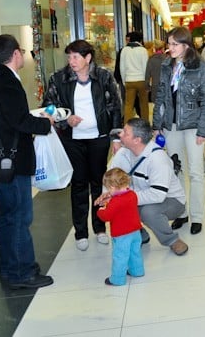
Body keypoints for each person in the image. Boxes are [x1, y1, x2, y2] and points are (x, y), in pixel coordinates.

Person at [0, 34, 55, 289]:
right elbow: (18, 121)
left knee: (8, 215)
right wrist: (47, 122)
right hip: (11, 159)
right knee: (20, 216)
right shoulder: (8, 83)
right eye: (22, 50)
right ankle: (23, 272)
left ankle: (10, 269)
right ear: (16, 54)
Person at [43, 39, 123, 251]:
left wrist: (116, 137)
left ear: (88, 58)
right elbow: (48, 108)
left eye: (76, 57)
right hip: (72, 139)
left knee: (98, 182)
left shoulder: (104, 77)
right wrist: (65, 119)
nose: (71, 61)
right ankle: (80, 232)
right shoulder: (58, 78)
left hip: (99, 137)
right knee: (78, 184)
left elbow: (116, 107)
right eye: (69, 57)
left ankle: (99, 228)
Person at [152, 27, 205, 235]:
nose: (169, 48)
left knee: (195, 172)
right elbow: (160, 94)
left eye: (174, 44)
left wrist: (203, 130)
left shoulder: (200, 67)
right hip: (171, 125)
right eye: (169, 44)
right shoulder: (166, 66)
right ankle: (181, 213)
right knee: (175, 170)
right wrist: (156, 125)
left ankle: (196, 216)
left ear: (186, 45)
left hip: (194, 125)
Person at [107, 118, 189, 255]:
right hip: (141, 196)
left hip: (172, 200)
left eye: (125, 133)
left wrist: (126, 198)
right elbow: (111, 178)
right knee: (117, 203)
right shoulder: (123, 153)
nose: (120, 135)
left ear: (137, 140)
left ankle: (172, 240)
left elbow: (158, 195)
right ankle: (139, 234)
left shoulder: (157, 159)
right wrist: (108, 195)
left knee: (148, 212)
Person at [95, 168, 144, 286]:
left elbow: (106, 216)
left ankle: (117, 279)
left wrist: (101, 210)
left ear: (112, 187)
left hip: (121, 234)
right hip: (135, 231)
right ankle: (137, 271)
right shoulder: (132, 195)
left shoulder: (115, 202)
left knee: (120, 256)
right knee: (135, 252)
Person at [120, 31, 150, 122]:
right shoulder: (143, 50)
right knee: (143, 104)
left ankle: (126, 126)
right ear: (140, 40)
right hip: (141, 80)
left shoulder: (124, 50)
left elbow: (122, 67)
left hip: (129, 80)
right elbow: (146, 67)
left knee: (128, 105)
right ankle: (145, 124)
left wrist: (124, 81)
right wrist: (147, 82)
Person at [145, 39, 165, 117]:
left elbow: (147, 75)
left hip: (155, 87)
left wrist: (147, 87)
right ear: (162, 48)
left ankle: (158, 126)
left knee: (156, 109)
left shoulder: (151, 60)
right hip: (166, 87)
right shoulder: (167, 59)